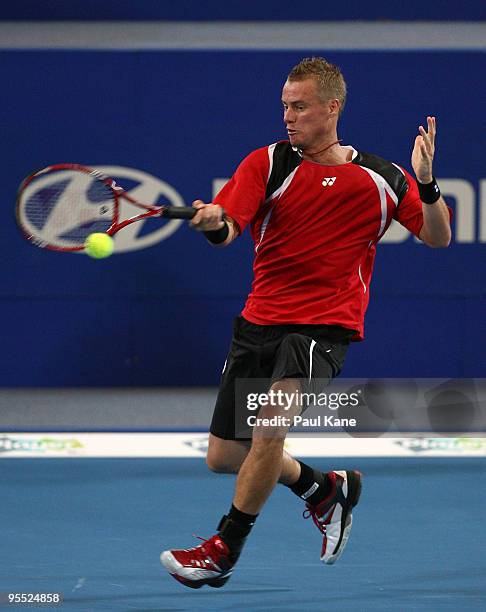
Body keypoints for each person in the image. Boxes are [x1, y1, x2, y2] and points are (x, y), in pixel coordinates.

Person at [160, 57, 452, 589]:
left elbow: (437, 236)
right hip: (259, 321)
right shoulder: (268, 162)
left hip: (322, 326)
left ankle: (224, 547)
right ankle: (324, 489)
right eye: (284, 106)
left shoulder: (382, 177)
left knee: (271, 426)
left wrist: (428, 185)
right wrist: (211, 223)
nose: (288, 116)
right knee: (226, 456)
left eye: (299, 106)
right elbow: (229, 229)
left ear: (332, 108)